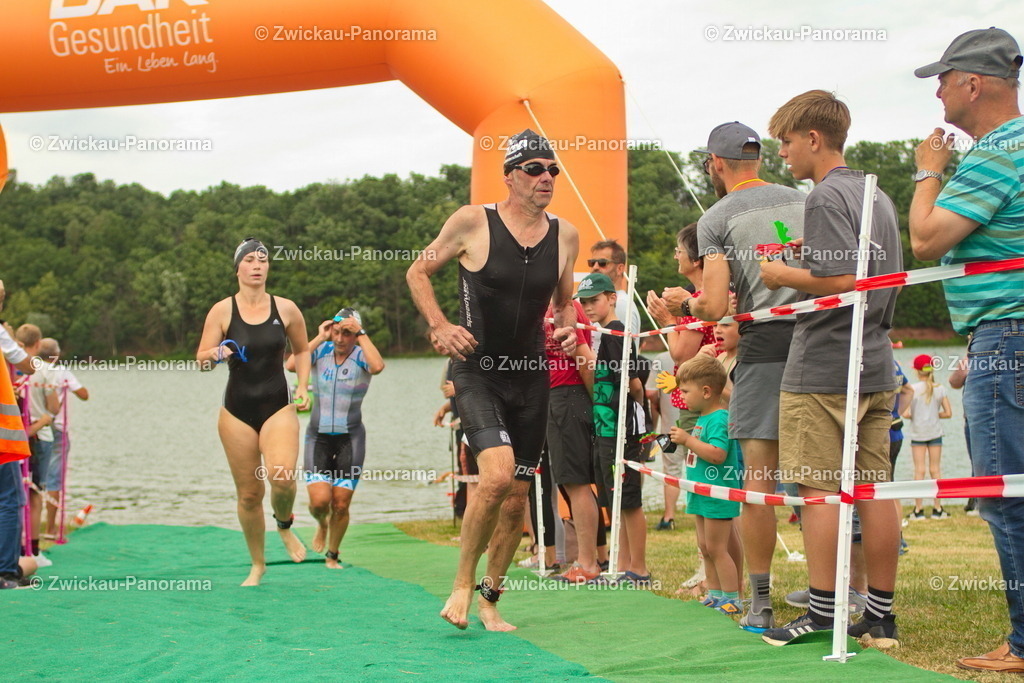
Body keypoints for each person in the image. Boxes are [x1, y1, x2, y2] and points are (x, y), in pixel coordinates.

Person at [406, 129, 578, 631]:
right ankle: (461, 585)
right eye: (535, 169)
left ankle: (490, 598)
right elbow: (418, 273)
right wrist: (440, 326)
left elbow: (565, 301)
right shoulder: (471, 221)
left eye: (553, 170)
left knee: (519, 494)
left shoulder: (565, 234)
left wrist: (566, 330)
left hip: (531, 374)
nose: (546, 178)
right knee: (497, 475)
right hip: (477, 369)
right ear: (510, 177)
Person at [758, 90, 902, 648]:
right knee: (874, 488)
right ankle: (880, 614)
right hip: (875, 360)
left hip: (824, 364)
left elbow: (845, 284)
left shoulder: (822, 198)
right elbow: (868, 271)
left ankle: (822, 613)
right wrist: (807, 258)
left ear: (813, 139)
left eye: (788, 144)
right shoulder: (877, 195)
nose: (784, 156)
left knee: (818, 490)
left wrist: (782, 275)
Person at [662, 122, 807, 632]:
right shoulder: (802, 197)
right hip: (817, 342)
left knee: (758, 480)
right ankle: (842, 596)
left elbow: (716, 302)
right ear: (760, 159)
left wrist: (685, 304)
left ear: (715, 165)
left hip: (765, 351)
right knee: (820, 478)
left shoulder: (716, 217)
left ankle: (761, 602)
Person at [909, 27, 1024, 673]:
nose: (938, 90)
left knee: (1005, 493)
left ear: (973, 83)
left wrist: (929, 172)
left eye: (943, 78)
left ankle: (1023, 643)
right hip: (1008, 333)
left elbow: (925, 239)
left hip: (1007, 333)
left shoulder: (994, 154)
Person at [196, 237, 311, 586]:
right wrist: (216, 354)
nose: (257, 265)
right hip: (236, 412)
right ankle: (258, 564)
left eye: (263, 259)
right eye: (250, 260)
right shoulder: (221, 311)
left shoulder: (286, 309)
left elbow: (303, 351)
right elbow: (201, 359)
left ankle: (284, 524)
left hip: (278, 406)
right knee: (248, 494)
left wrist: (304, 386)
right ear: (238, 268)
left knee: (281, 475)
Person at [289, 309, 384, 568]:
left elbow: (378, 367)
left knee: (340, 504)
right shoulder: (321, 352)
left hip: (350, 439)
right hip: (317, 437)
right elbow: (290, 365)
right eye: (337, 331)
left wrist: (361, 333)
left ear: (356, 335)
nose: (340, 338)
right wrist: (319, 337)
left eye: (347, 333)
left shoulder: (362, 356)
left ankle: (333, 554)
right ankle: (321, 523)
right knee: (319, 503)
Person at [576, 273, 649, 585]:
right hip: (605, 428)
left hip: (622, 430)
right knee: (616, 500)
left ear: (612, 298)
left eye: (595, 300)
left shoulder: (616, 333)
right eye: (585, 302)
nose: (589, 307)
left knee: (629, 500)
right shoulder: (605, 334)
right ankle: (621, 565)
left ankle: (639, 569)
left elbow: (633, 383)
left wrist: (638, 423)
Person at [671, 354, 743, 615]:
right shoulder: (702, 418)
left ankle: (732, 598)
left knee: (717, 548)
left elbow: (717, 454)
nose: (682, 397)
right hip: (700, 494)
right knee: (705, 548)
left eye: (686, 391)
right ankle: (715, 594)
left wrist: (688, 441)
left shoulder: (719, 419)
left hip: (717, 495)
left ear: (706, 391)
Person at [543, 299, 603, 582]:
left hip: (569, 395)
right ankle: (587, 560)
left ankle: (588, 563)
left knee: (576, 482)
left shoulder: (565, 306)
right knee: (571, 481)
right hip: (557, 397)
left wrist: (598, 406)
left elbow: (585, 358)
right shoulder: (541, 304)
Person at [33, 337, 88, 539]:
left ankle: (31, 527)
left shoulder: (32, 369)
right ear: (55, 355)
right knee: (55, 478)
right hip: (55, 426)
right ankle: (49, 530)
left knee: (33, 477)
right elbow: (84, 394)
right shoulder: (61, 371)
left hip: (33, 427)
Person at [903, 353, 952, 521]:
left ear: (917, 371)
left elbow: (905, 413)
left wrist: (915, 415)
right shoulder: (940, 388)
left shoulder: (913, 389)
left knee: (919, 471)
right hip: (935, 432)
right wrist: (934, 415)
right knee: (935, 470)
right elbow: (948, 413)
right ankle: (938, 508)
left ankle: (918, 510)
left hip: (918, 433)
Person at [588, 239, 641, 352]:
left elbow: (621, 356)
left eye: (602, 263)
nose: (595, 267)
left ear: (620, 268)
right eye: (592, 263)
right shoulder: (604, 302)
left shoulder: (621, 304)